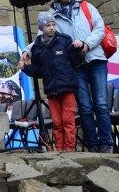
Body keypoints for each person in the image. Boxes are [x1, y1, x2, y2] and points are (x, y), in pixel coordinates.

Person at [32, 0, 113, 153]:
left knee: (100, 103)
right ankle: (92, 145)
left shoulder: (86, 6)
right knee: (84, 106)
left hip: (95, 58)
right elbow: (40, 38)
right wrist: (26, 51)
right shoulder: (52, 14)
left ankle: (106, 144)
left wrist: (86, 44)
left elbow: (99, 28)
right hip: (75, 65)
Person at [17, 11, 82, 152]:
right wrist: (26, 68)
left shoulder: (64, 40)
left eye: (53, 25)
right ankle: (59, 150)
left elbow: (76, 61)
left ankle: (70, 149)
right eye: (47, 25)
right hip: (51, 89)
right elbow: (39, 71)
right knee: (57, 123)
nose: (51, 28)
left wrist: (78, 48)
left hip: (67, 87)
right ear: (41, 28)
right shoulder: (38, 48)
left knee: (68, 121)